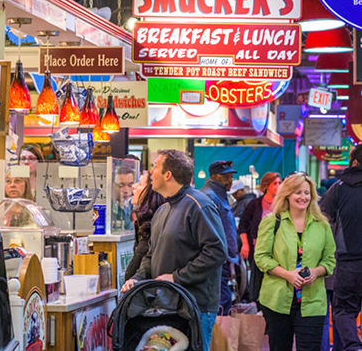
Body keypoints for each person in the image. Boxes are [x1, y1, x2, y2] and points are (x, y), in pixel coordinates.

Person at [121, 150, 227, 351]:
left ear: (168, 174)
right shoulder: (163, 209)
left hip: (196, 306)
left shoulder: (199, 205)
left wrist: (177, 277)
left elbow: (216, 251)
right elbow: (151, 253)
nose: (151, 172)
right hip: (166, 305)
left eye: (155, 167)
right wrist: (137, 278)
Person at [255, 172, 336, 351]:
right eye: (297, 192)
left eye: (307, 193)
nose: (303, 197)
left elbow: (329, 260)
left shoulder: (322, 225)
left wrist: (316, 271)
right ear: (287, 195)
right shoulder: (272, 221)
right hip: (277, 301)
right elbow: (261, 257)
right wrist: (287, 274)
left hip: (313, 302)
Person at [321, 145, 362, 351]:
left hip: (347, 260)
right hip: (348, 260)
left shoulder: (338, 188)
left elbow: (322, 220)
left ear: (353, 162)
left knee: (344, 310)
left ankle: (353, 347)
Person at [201, 160, 239, 316]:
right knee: (222, 304)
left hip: (224, 258)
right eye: (226, 176)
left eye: (230, 176)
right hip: (217, 260)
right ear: (215, 177)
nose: (230, 180)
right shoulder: (209, 196)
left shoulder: (219, 195)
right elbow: (209, 231)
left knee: (224, 301)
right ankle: (218, 340)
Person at [124, 170, 166, 282]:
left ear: (150, 193)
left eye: (140, 184)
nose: (134, 186)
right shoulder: (143, 224)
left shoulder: (154, 227)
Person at [239, 172, 282, 262]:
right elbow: (242, 224)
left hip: (279, 249)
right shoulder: (255, 204)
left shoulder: (283, 204)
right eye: (275, 183)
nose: (278, 186)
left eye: (279, 183)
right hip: (258, 248)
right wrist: (245, 244)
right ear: (266, 186)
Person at [113, 165, 135, 231]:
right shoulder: (110, 208)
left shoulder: (134, 205)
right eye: (121, 186)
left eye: (130, 185)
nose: (126, 190)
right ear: (113, 186)